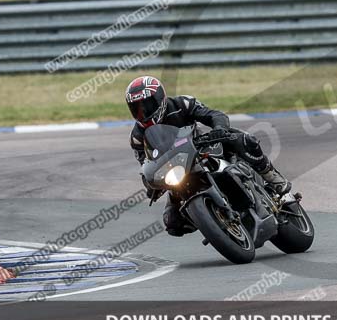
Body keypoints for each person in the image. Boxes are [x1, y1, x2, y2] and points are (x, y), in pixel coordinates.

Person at [125, 75, 291, 236]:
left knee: (243, 140)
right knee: (172, 223)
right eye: (136, 109)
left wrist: (219, 128)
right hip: (175, 171)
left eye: (146, 105)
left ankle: (271, 176)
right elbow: (146, 164)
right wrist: (150, 185)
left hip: (203, 148)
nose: (142, 112)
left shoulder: (182, 103)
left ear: (160, 98)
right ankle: (212, 219)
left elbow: (214, 114)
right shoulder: (137, 137)